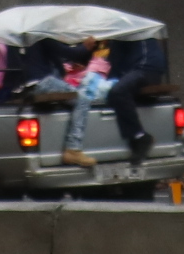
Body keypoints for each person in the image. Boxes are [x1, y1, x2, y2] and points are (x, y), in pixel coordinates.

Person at [58, 41, 152, 170]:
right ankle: (137, 136)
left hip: (103, 75)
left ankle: (73, 148)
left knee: (88, 96)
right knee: (99, 91)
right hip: (100, 74)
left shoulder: (118, 41)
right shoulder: (109, 41)